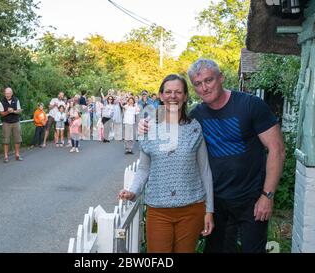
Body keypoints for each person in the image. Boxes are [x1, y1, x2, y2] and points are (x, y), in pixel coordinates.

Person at [140, 59, 286, 253]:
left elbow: (277, 149)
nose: (204, 88)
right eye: (198, 84)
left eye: (209, 80)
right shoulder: (197, 117)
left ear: (221, 78)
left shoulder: (250, 105)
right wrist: (146, 124)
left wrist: (267, 196)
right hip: (217, 201)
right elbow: (170, 122)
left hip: (251, 199)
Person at [119, 74, 214, 253]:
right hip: (158, 209)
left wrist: (209, 210)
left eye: (178, 92)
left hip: (192, 208)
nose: (173, 96)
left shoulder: (194, 128)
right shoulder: (149, 128)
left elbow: (205, 170)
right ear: (161, 95)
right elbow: (144, 168)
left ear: (185, 96)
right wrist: (133, 191)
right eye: (168, 92)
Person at [0, 87, 23, 162]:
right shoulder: (1, 101)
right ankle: (6, 156)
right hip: (6, 122)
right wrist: (8, 112)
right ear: (4, 93)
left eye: (9, 93)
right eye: (6, 93)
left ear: (11, 93)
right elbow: (1, 114)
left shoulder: (16, 99)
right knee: (6, 140)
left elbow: (19, 110)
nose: (7, 95)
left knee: (18, 139)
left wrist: (13, 111)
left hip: (16, 121)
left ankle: (17, 155)